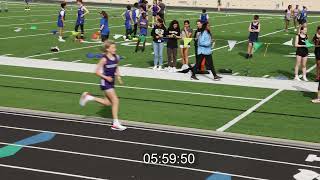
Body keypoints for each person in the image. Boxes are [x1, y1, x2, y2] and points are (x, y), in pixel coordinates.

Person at [79, 41, 127, 131]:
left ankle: (89, 97)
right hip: (105, 82)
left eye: (115, 47)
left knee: (108, 102)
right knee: (115, 100)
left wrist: (119, 76)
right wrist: (106, 77)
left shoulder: (116, 57)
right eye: (113, 48)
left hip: (111, 82)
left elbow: (116, 67)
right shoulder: (104, 59)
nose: (115, 49)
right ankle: (115, 123)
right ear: (107, 49)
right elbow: (96, 71)